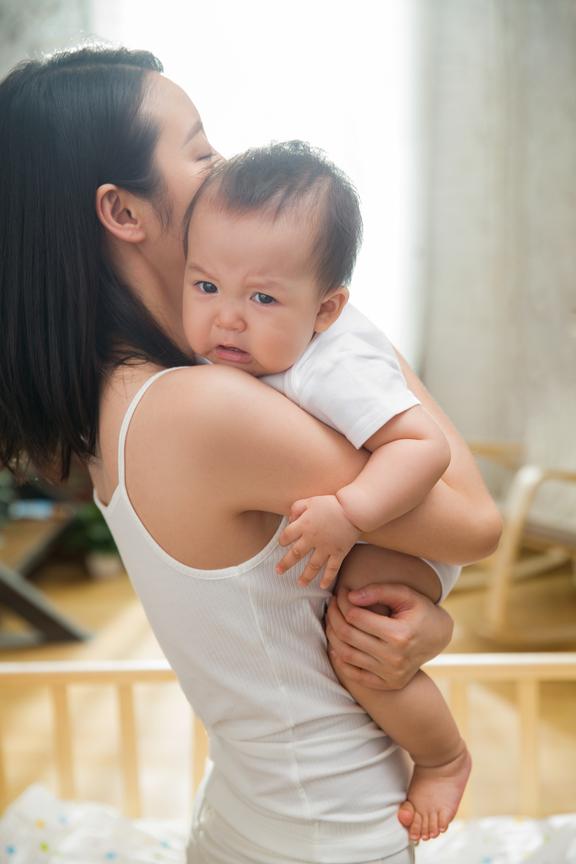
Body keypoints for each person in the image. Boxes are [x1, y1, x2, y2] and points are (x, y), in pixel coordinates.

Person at [0, 46, 501, 864]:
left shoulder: (131, 398)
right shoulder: (204, 410)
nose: (227, 165)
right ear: (124, 212)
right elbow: (475, 523)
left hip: (250, 819)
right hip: (329, 834)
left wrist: (422, 622)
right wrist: (325, 310)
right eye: (200, 149)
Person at [180, 140, 471, 843]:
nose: (228, 318)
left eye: (262, 297)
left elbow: (421, 446)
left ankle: (443, 758)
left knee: (361, 648)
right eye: (205, 287)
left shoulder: (332, 366)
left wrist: (349, 512)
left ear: (326, 309)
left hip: (394, 531)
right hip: (370, 518)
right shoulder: (241, 349)